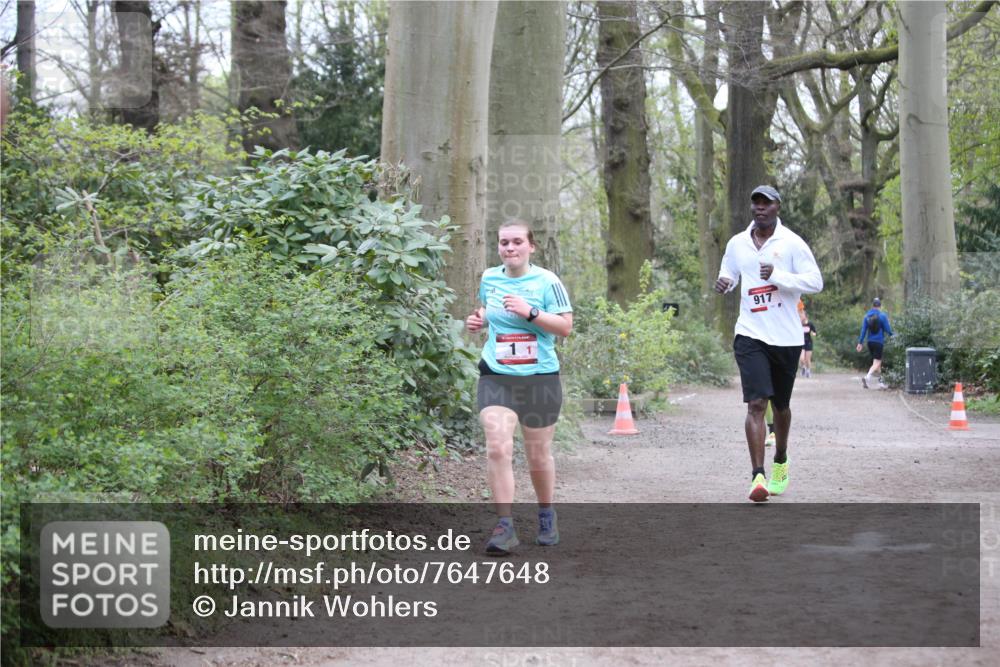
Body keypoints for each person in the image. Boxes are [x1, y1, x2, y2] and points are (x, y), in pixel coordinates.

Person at [465, 220, 573, 555]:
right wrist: (479, 319)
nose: (509, 248)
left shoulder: (547, 282)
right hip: (496, 374)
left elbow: (565, 327)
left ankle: (545, 513)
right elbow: (488, 308)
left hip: (540, 377)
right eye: (503, 243)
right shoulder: (489, 278)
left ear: (531, 247)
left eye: (516, 242)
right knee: (497, 447)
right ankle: (505, 526)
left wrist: (531, 312)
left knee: (538, 455)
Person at [714, 185, 823, 502]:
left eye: (767, 203)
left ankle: (781, 459)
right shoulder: (737, 243)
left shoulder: (792, 244)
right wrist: (726, 281)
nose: (760, 208)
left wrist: (779, 276)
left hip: (787, 337)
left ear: (777, 207)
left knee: (781, 406)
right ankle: (757, 476)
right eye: (756, 203)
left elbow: (815, 282)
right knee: (756, 403)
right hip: (750, 333)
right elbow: (730, 271)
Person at [856, 297, 893, 389]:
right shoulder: (882, 316)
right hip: (878, 342)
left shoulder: (867, 316)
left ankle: (881, 382)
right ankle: (867, 377)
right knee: (877, 362)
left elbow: (863, 330)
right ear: (880, 306)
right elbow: (888, 330)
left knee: (876, 362)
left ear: (873, 306)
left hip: (870, 342)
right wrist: (893, 336)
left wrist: (860, 343)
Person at [800, 309, 817, 377]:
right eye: (800, 314)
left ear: (805, 316)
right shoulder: (798, 323)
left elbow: (815, 332)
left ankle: (808, 370)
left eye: (802, 314)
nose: (800, 315)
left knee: (807, 359)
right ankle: (803, 367)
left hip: (808, 342)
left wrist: (813, 333)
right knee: (801, 358)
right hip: (801, 343)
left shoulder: (810, 324)